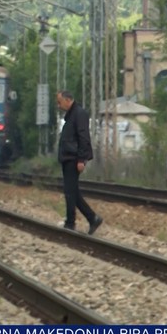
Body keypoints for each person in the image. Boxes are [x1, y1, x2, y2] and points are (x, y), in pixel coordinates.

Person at [56, 90, 103, 235]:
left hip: (73, 158)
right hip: (68, 157)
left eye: (60, 102)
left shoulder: (79, 114)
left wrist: (81, 159)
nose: (59, 105)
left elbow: (84, 137)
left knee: (70, 192)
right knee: (72, 192)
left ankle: (70, 223)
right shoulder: (71, 115)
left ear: (68, 99)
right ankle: (92, 218)